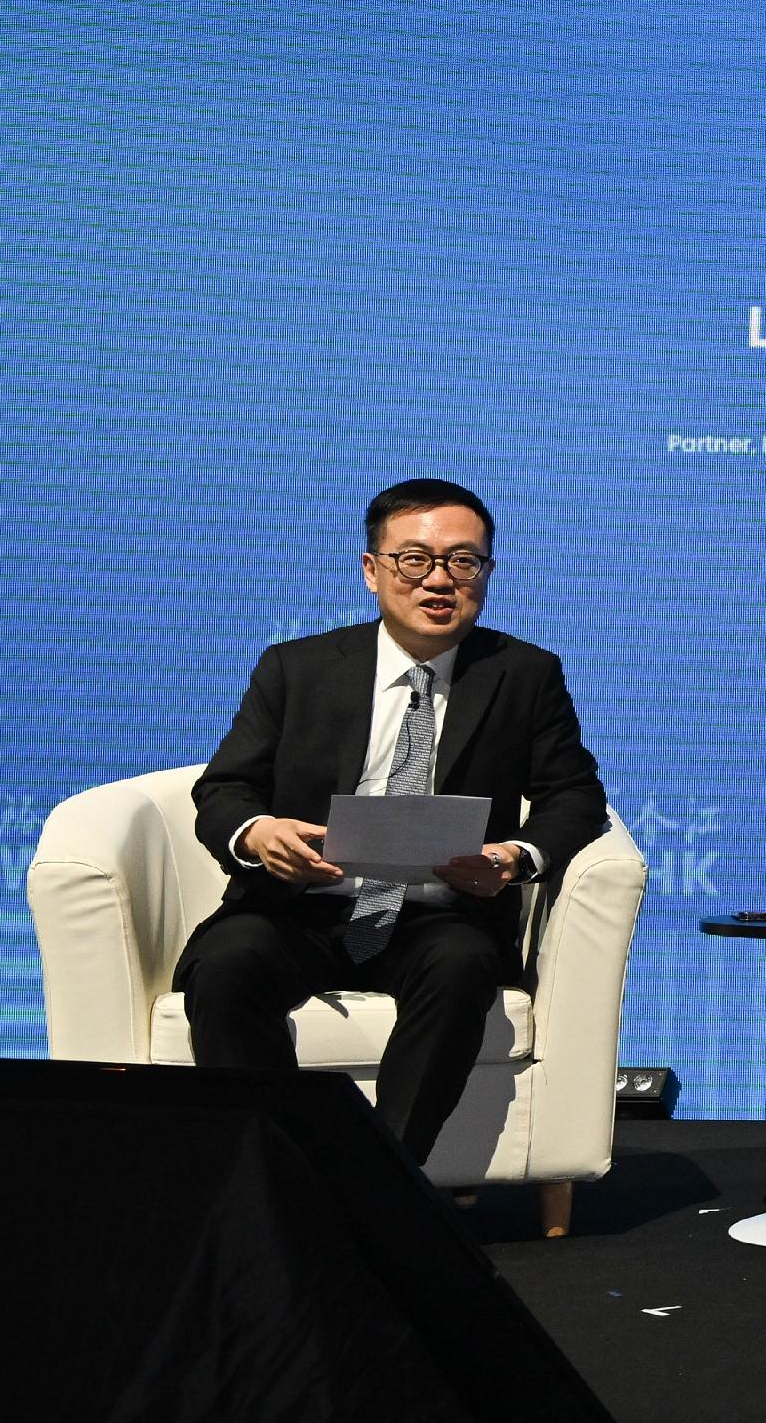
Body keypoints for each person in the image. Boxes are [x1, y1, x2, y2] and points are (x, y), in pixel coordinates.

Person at [181, 478, 610, 1170]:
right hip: (302, 909)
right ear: (372, 570)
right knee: (226, 967)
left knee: (462, 968)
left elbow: (574, 795)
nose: (439, 580)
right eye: (415, 559)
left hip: (437, 917)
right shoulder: (297, 668)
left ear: (486, 574)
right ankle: (277, 1170)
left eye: (464, 562)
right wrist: (258, 836)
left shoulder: (524, 674)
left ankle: (380, 1182)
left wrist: (516, 858)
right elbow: (226, 789)